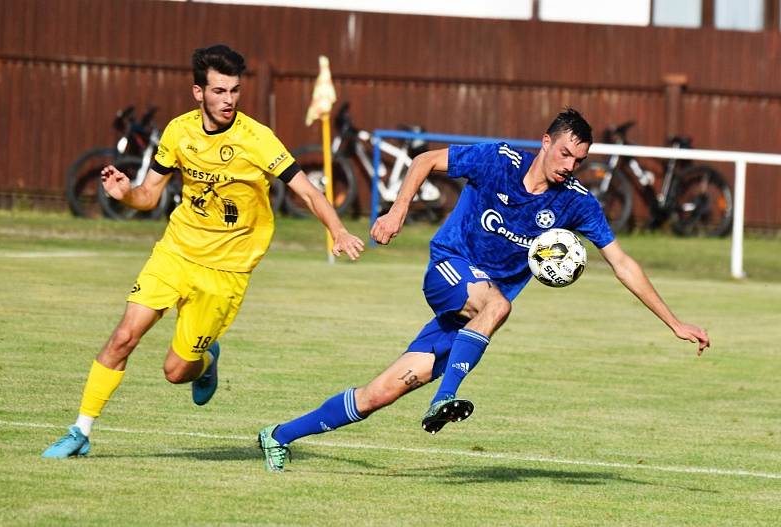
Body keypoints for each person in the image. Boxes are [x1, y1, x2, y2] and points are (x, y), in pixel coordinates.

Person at [257, 107, 710, 472]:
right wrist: (397, 212)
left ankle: (278, 435)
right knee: (498, 304)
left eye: (580, 161)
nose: (570, 167)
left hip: (466, 317)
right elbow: (424, 161)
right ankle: (444, 398)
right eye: (565, 155)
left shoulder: (576, 202)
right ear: (546, 142)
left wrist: (674, 322)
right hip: (449, 270)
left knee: (378, 393)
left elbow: (622, 263)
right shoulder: (499, 161)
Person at [42, 44, 364, 459]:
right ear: (198, 92)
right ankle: (80, 431)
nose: (228, 100)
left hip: (225, 272)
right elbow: (148, 194)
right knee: (123, 336)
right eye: (218, 91)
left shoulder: (257, 139)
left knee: (176, 372)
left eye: (233, 91)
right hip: (175, 252)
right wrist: (125, 194)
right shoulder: (178, 132)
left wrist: (337, 229)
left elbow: (306, 190)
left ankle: (207, 362)